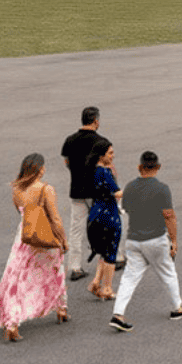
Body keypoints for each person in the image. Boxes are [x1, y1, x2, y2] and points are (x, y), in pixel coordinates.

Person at [110, 151, 182, 332]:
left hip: (134, 239)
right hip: (155, 239)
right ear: (158, 167)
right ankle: (177, 307)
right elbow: (169, 216)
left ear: (139, 167)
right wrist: (174, 240)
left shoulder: (130, 187)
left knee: (129, 278)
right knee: (167, 272)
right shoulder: (162, 188)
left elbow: (125, 208)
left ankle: (118, 314)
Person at [0, 153, 69, 342]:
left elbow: (23, 214)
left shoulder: (17, 189)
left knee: (18, 278)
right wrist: (63, 239)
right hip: (45, 238)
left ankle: (12, 322)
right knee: (52, 272)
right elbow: (55, 219)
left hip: (25, 237)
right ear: (40, 169)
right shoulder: (45, 189)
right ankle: (61, 308)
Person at [59, 106, 106, 280]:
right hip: (96, 191)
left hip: (77, 190)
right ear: (96, 121)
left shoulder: (69, 140)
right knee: (105, 225)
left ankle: (75, 267)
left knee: (76, 229)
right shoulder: (101, 142)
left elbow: (67, 162)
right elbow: (107, 165)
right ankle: (110, 260)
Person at [84, 139, 123, 300]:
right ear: (102, 155)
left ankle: (96, 282)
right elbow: (117, 193)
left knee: (103, 250)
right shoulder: (105, 172)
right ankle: (107, 287)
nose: (113, 156)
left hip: (96, 213)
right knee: (111, 252)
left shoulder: (92, 171)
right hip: (109, 215)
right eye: (110, 153)